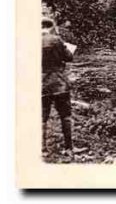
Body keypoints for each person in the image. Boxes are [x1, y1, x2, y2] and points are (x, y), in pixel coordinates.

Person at [42, 17, 84, 154]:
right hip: (58, 83)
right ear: (52, 26)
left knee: (42, 116)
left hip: (40, 83)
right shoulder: (56, 39)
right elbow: (68, 57)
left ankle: (42, 149)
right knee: (65, 115)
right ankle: (69, 148)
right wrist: (66, 47)